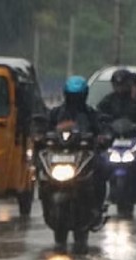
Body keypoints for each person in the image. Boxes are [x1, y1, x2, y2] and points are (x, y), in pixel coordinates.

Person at [46, 75, 107, 226]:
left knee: (101, 168)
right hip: (59, 154)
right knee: (42, 174)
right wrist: (39, 134)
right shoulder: (56, 113)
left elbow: (103, 128)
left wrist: (103, 136)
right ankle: (46, 202)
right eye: (72, 96)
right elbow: (44, 126)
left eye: (78, 97)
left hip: (83, 155)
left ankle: (96, 208)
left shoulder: (91, 114)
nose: (75, 100)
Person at [96, 69, 136, 173]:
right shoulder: (109, 99)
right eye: (117, 84)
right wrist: (103, 126)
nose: (120, 88)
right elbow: (98, 113)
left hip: (135, 134)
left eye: (122, 84)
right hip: (114, 135)